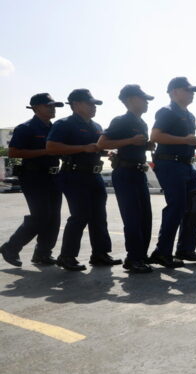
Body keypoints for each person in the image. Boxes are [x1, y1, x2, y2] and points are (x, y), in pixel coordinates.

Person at [46, 89, 120, 271]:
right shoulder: (64, 124)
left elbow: (95, 147)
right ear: (76, 104)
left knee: (99, 216)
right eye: (90, 103)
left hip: (94, 175)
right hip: (74, 174)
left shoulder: (95, 126)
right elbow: (51, 147)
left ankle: (100, 254)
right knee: (80, 215)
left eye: (95, 104)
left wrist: (106, 152)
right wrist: (83, 148)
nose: (94, 107)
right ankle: (67, 256)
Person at [97, 85, 155, 273]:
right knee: (132, 218)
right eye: (143, 98)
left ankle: (141, 255)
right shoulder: (121, 121)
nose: (147, 102)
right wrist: (130, 141)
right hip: (126, 173)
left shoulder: (142, 123)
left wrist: (146, 146)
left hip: (139, 173)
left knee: (145, 217)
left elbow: (135, 144)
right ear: (130, 100)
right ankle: (133, 259)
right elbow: (102, 143)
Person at [0, 94, 64, 267]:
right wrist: (45, 152)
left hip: (54, 176)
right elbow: (13, 154)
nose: (53, 109)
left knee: (54, 218)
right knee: (41, 216)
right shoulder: (25, 128)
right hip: (34, 177)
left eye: (54, 106)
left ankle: (42, 254)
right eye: (48, 106)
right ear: (36, 108)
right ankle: (11, 247)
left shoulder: (56, 128)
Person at [149, 77, 196, 268]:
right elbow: (155, 136)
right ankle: (162, 252)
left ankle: (185, 249)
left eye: (193, 91)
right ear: (174, 92)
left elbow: (186, 139)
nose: (191, 94)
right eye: (187, 90)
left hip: (187, 166)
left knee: (193, 208)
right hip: (170, 165)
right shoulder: (167, 111)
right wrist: (184, 141)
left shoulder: (190, 116)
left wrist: (195, 143)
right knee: (177, 206)